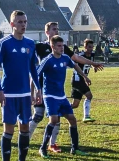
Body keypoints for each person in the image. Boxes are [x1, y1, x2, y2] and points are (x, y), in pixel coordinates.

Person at [29, 22, 104, 154]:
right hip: (42, 88)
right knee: (39, 116)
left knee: (59, 119)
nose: (57, 31)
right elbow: (24, 56)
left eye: (58, 29)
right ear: (47, 32)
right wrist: (33, 92)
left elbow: (76, 60)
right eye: (54, 29)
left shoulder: (63, 50)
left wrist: (92, 65)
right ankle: (26, 139)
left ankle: (53, 144)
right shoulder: (40, 47)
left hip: (59, 92)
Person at [0, 10, 41, 161]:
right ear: (12, 24)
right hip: (9, 95)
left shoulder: (30, 43)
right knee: (9, 131)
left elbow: (33, 68)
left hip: (25, 94)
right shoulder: (4, 44)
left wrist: (38, 89)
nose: (23, 25)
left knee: (25, 129)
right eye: (19, 22)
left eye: (25, 21)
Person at [38, 36, 90, 158]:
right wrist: (36, 92)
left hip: (61, 96)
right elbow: (36, 74)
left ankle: (75, 148)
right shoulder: (47, 60)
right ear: (53, 47)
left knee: (72, 119)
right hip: (50, 95)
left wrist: (84, 76)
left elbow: (75, 65)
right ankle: (43, 148)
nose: (62, 48)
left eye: (63, 45)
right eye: (59, 46)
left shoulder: (65, 58)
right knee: (54, 120)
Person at [70, 39, 98, 123]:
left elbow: (90, 63)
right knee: (89, 96)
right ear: (85, 47)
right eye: (89, 47)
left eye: (92, 47)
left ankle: (57, 110)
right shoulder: (80, 56)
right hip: (77, 80)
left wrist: (94, 67)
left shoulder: (92, 55)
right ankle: (86, 116)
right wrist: (85, 77)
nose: (91, 49)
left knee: (75, 105)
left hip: (80, 80)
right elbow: (76, 68)